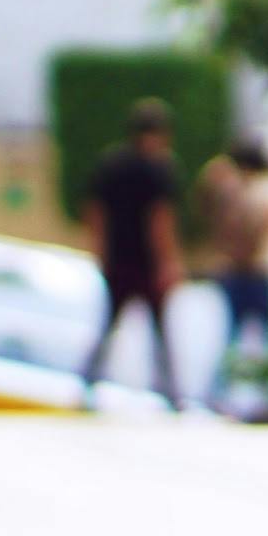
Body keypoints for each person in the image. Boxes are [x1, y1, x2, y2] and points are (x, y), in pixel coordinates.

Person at [79, 98, 184, 409]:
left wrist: (99, 251)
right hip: (146, 263)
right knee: (160, 331)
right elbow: (160, 220)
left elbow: (94, 211)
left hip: (117, 260)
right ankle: (170, 392)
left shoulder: (110, 164)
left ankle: (87, 384)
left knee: (109, 325)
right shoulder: (159, 168)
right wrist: (168, 262)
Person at [196, 135, 268, 409]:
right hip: (244, 272)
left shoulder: (248, 193)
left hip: (251, 271)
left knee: (251, 337)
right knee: (236, 336)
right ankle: (225, 393)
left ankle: (259, 393)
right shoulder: (235, 192)